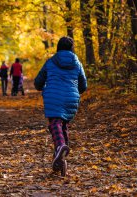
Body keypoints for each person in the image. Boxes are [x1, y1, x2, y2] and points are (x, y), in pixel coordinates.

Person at [34, 36, 87, 175]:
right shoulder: (77, 63)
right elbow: (84, 85)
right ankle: (60, 161)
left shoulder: (51, 62)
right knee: (63, 126)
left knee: (55, 124)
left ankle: (60, 147)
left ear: (58, 48)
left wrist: (41, 87)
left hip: (53, 97)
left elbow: (38, 82)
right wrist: (75, 92)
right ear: (72, 48)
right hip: (71, 99)